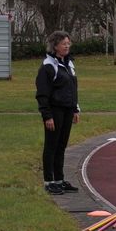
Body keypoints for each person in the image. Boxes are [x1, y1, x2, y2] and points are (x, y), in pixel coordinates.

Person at [36, 31, 81, 195]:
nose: (67, 46)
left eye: (68, 43)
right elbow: (42, 93)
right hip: (54, 111)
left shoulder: (69, 64)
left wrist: (75, 108)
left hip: (68, 109)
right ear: (55, 46)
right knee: (51, 146)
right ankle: (49, 181)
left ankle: (59, 179)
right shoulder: (48, 66)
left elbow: (73, 88)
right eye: (64, 44)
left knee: (61, 146)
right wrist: (47, 115)